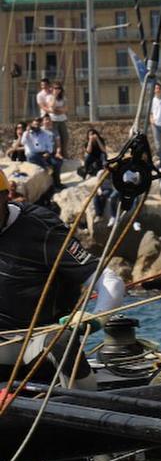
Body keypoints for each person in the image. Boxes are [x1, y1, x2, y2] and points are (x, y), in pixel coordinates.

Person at [0, 167, 126, 389]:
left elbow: (108, 280)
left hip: (35, 345)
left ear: (5, 197)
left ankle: (88, 400)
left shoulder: (42, 230)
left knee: (60, 342)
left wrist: (96, 318)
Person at [21, 118, 59, 186]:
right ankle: (46, 166)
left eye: (38, 124)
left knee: (56, 163)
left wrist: (48, 152)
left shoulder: (45, 133)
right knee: (32, 156)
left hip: (44, 154)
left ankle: (57, 183)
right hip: (33, 155)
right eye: (35, 124)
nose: (36, 126)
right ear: (32, 125)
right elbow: (23, 142)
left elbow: (50, 146)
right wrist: (27, 131)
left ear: (40, 125)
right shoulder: (26, 133)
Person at [39, 115, 64, 190]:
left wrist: (58, 152)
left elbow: (58, 145)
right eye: (46, 120)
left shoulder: (54, 131)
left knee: (57, 162)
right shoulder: (39, 131)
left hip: (52, 153)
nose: (48, 121)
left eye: (49, 120)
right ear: (42, 122)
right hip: (42, 153)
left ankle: (57, 183)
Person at [48, 82, 69, 159]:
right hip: (53, 120)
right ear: (52, 89)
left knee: (65, 137)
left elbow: (65, 109)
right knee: (56, 137)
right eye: (55, 88)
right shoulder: (50, 97)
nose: (57, 90)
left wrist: (58, 109)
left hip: (62, 120)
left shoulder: (63, 98)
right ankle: (56, 154)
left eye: (59, 88)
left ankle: (64, 153)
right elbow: (52, 107)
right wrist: (54, 96)